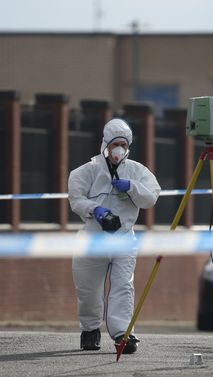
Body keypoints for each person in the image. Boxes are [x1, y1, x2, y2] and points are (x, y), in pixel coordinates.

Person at [68, 118, 160, 354]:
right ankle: (90, 330)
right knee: (88, 290)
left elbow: (151, 197)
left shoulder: (137, 171)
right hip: (92, 239)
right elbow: (76, 199)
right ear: (105, 144)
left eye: (123, 144)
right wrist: (95, 210)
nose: (119, 149)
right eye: (115, 143)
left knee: (123, 286)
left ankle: (122, 334)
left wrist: (132, 187)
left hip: (123, 238)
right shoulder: (86, 171)